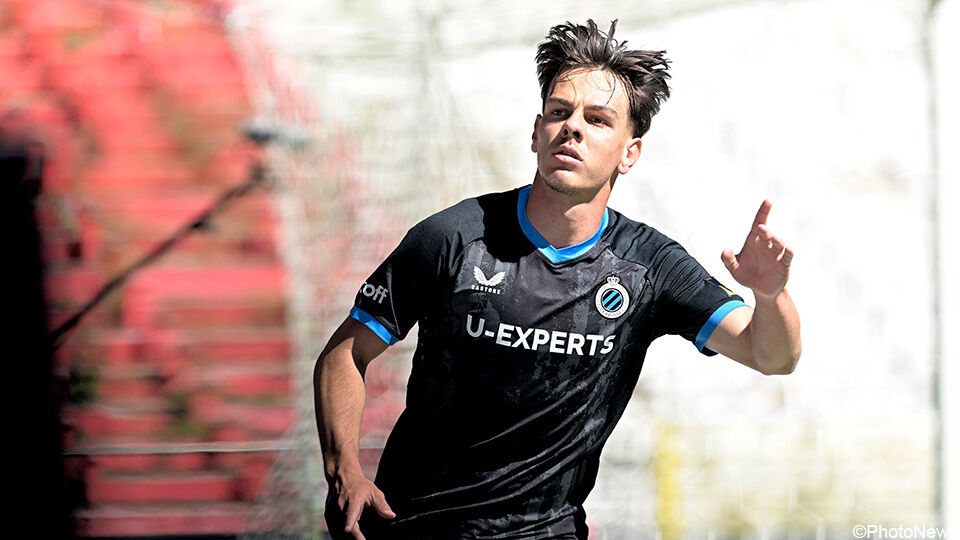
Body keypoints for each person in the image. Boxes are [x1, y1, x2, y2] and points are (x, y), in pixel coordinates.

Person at [314, 18, 801, 540]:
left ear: (630, 153)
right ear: (536, 132)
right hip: (415, 526)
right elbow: (345, 354)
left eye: (598, 120)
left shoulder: (649, 267)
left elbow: (772, 356)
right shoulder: (453, 237)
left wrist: (770, 294)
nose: (572, 128)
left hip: (549, 530)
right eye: (559, 112)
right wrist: (346, 471)